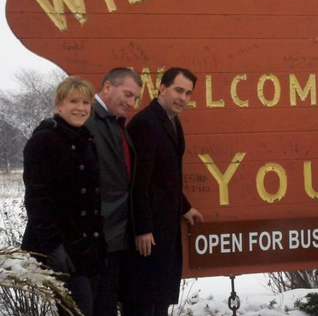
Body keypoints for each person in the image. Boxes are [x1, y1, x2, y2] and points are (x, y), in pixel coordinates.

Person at [121, 67, 203, 316]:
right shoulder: (145, 123)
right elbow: (138, 182)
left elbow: (166, 178)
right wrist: (143, 229)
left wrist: (185, 206)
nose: (183, 98)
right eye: (179, 90)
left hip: (165, 231)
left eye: (188, 93)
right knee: (142, 303)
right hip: (148, 237)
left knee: (159, 302)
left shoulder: (171, 122)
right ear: (162, 89)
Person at [22, 76, 106, 316]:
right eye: (73, 101)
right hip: (63, 248)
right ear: (59, 104)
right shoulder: (44, 141)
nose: (80, 108)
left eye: (86, 103)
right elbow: (37, 200)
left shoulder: (86, 140)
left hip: (88, 247)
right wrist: (54, 249)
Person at [85, 68, 142, 316]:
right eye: (128, 94)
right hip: (93, 243)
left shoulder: (117, 124)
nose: (132, 103)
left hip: (116, 240)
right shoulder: (85, 120)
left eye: (136, 99)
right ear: (108, 87)